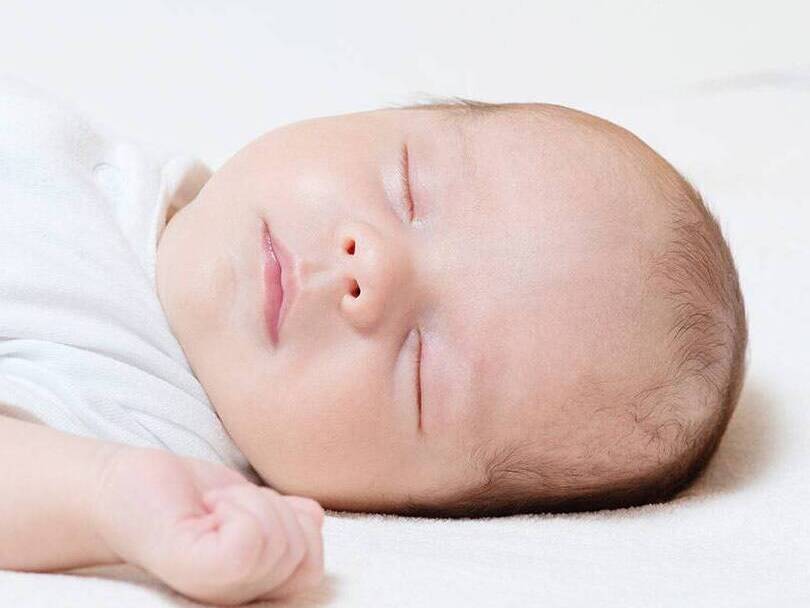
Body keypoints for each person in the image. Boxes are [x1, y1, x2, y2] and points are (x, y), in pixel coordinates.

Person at [0, 77, 747, 605]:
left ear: (398, 507)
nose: (371, 269)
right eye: (408, 187)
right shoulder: (115, 164)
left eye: (422, 369)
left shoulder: (141, 423)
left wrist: (105, 498)